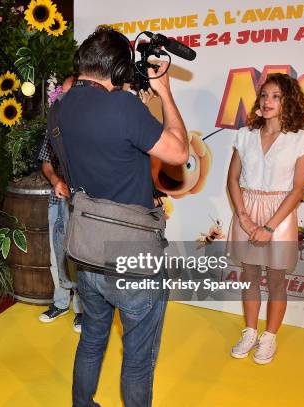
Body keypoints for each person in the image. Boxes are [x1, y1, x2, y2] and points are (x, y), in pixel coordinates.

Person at [55, 27, 188, 407]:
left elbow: (108, 149)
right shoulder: (123, 108)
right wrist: (164, 92)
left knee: (93, 339)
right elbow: (179, 153)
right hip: (132, 260)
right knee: (137, 363)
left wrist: (131, 101)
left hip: (86, 254)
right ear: (117, 69)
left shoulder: (63, 107)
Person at [227, 73, 304, 364]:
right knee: (250, 276)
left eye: (275, 96)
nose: (267, 101)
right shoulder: (245, 134)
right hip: (247, 212)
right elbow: (233, 179)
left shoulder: (300, 139)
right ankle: (250, 331)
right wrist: (245, 219)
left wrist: (269, 226)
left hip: (280, 216)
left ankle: (269, 337)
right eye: (264, 95)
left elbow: (299, 188)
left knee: (277, 280)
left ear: (288, 100)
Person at [38, 75, 83, 333]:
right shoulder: (54, 126)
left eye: (71, 93)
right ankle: (60, 302)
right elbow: (45, 161)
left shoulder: (90, 128)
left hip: (84, 203)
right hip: (57, 199)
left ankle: (82, 310)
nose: (65, 99)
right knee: (57, 256)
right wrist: (55, 179)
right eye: (63, 94)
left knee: (80, 257)